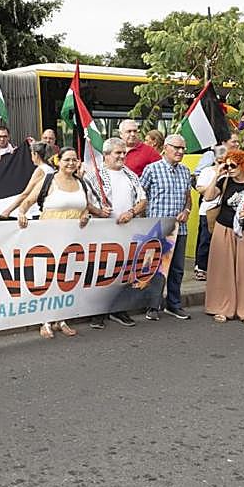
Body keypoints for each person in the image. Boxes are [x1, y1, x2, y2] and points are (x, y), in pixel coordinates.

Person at [17, 147, 106, 338]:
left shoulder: (81, 182)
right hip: (49, 239)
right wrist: (21, 214)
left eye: (74, 160)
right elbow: (28, 201)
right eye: (67, 160)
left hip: (74, 240)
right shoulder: (48, 180)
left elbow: (84, 206)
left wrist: (86, 214)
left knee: (67, 278)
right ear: (58, 161)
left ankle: (62, 319)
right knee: (48, 278)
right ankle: (45, 321)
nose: (71, 163)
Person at [202, 149, 244, 326]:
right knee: (223, 270)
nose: (230, 169)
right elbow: (208, 197)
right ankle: (222, 307)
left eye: (233, 165)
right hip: (224, 229)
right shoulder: (225, 181)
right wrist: (217, 174)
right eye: (227, 165)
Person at [88, 137, 146, 330]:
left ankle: (119, 309)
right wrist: (98, 211)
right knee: (101, 271)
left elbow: (142, 199)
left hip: (127, 231)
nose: (122, 156)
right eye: (117, 153)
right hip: (102, 232)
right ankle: (98, 312)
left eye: (124, 153)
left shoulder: (131, 175)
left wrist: (131, 212)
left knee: (124, 271)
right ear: (106, 155)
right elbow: (85, 202)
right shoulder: (94, 175)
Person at [140, 134, 193, 321]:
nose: (180, 151)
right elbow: (141, 196)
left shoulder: (186, 171)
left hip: (180, 229)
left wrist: (187, 210)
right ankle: (152, 306)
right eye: (176, 148)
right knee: (156, 268)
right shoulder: (151, 169)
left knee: (177, 269)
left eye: (183, 148)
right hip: (157, 229)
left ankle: (174, 305)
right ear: (165, 148)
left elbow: (188, 197)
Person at [194, 145, 229, 281]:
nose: (222, 163)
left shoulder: (231, 172)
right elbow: (201, 190)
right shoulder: (207, 171)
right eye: (219, 160)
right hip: (208, 210)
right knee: (206, 240)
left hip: (224, 211)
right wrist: (217, 178)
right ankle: (201, 267)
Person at [0, 142, 55, 218]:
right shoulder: (51, 168)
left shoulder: (41, 170)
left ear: (36, 154)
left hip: (38, 211)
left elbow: (26, 193)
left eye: (31, 154)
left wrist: (8, 210)